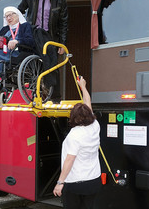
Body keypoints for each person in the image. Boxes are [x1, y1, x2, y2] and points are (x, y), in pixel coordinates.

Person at [18, 0, 68, 101]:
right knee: (32, 63)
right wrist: (22, 28)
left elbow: (64, 22)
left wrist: (62, 43)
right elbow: (19, 11)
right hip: (33, 33)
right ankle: (36, 92)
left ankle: (56, 98)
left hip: (49, 36)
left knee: (52, 65)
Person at [53, 76, 101, 209]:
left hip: (76, 183)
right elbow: (88, 102)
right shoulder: (95, 125)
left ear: (73, 117)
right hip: (94, 180)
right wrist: (83, 86)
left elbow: (69, 160)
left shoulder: (74, 135)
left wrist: (60, 182)